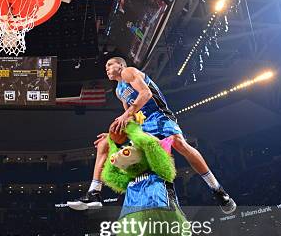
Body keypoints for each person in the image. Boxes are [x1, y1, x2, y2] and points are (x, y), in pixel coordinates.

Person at [68, 57, 235, 213]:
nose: (107, 68)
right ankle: (94, 192)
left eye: (110, 64)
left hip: (159, 115)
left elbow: (146, 94)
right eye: (105, 67)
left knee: (178, 143)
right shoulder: (119, 90)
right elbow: (130, 117)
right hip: (143, 124)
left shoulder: (129, 72)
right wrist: (114, 132)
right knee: (105, 143)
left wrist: (127, 115)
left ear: (121, 65)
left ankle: (216, 188)